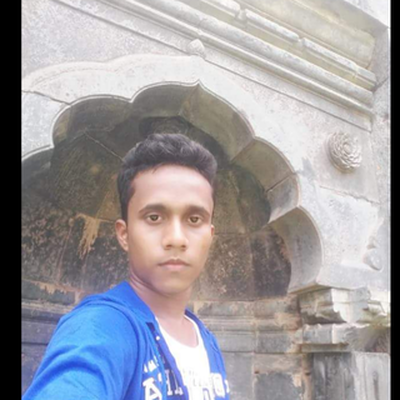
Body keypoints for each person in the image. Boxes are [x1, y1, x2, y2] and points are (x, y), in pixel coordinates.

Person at [23, 133, 230, 400]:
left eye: (194, 219)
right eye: (154, 217)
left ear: (210, 235)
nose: (176, 239)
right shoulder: (100, 325)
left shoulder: (205, 338)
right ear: (124, 234)